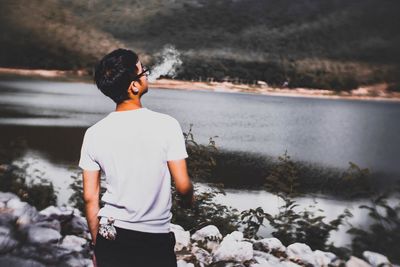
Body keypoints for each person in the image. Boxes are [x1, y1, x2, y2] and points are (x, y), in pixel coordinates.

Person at [78, 48, 194, 267]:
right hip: (153, 240)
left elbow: (90, 198)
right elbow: (183, 186)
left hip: (109, 236)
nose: (147, 75)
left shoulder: (93, 133)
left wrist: (98, 246)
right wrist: (189, 200)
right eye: (143, 71)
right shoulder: (166, 125)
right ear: (133, 86)